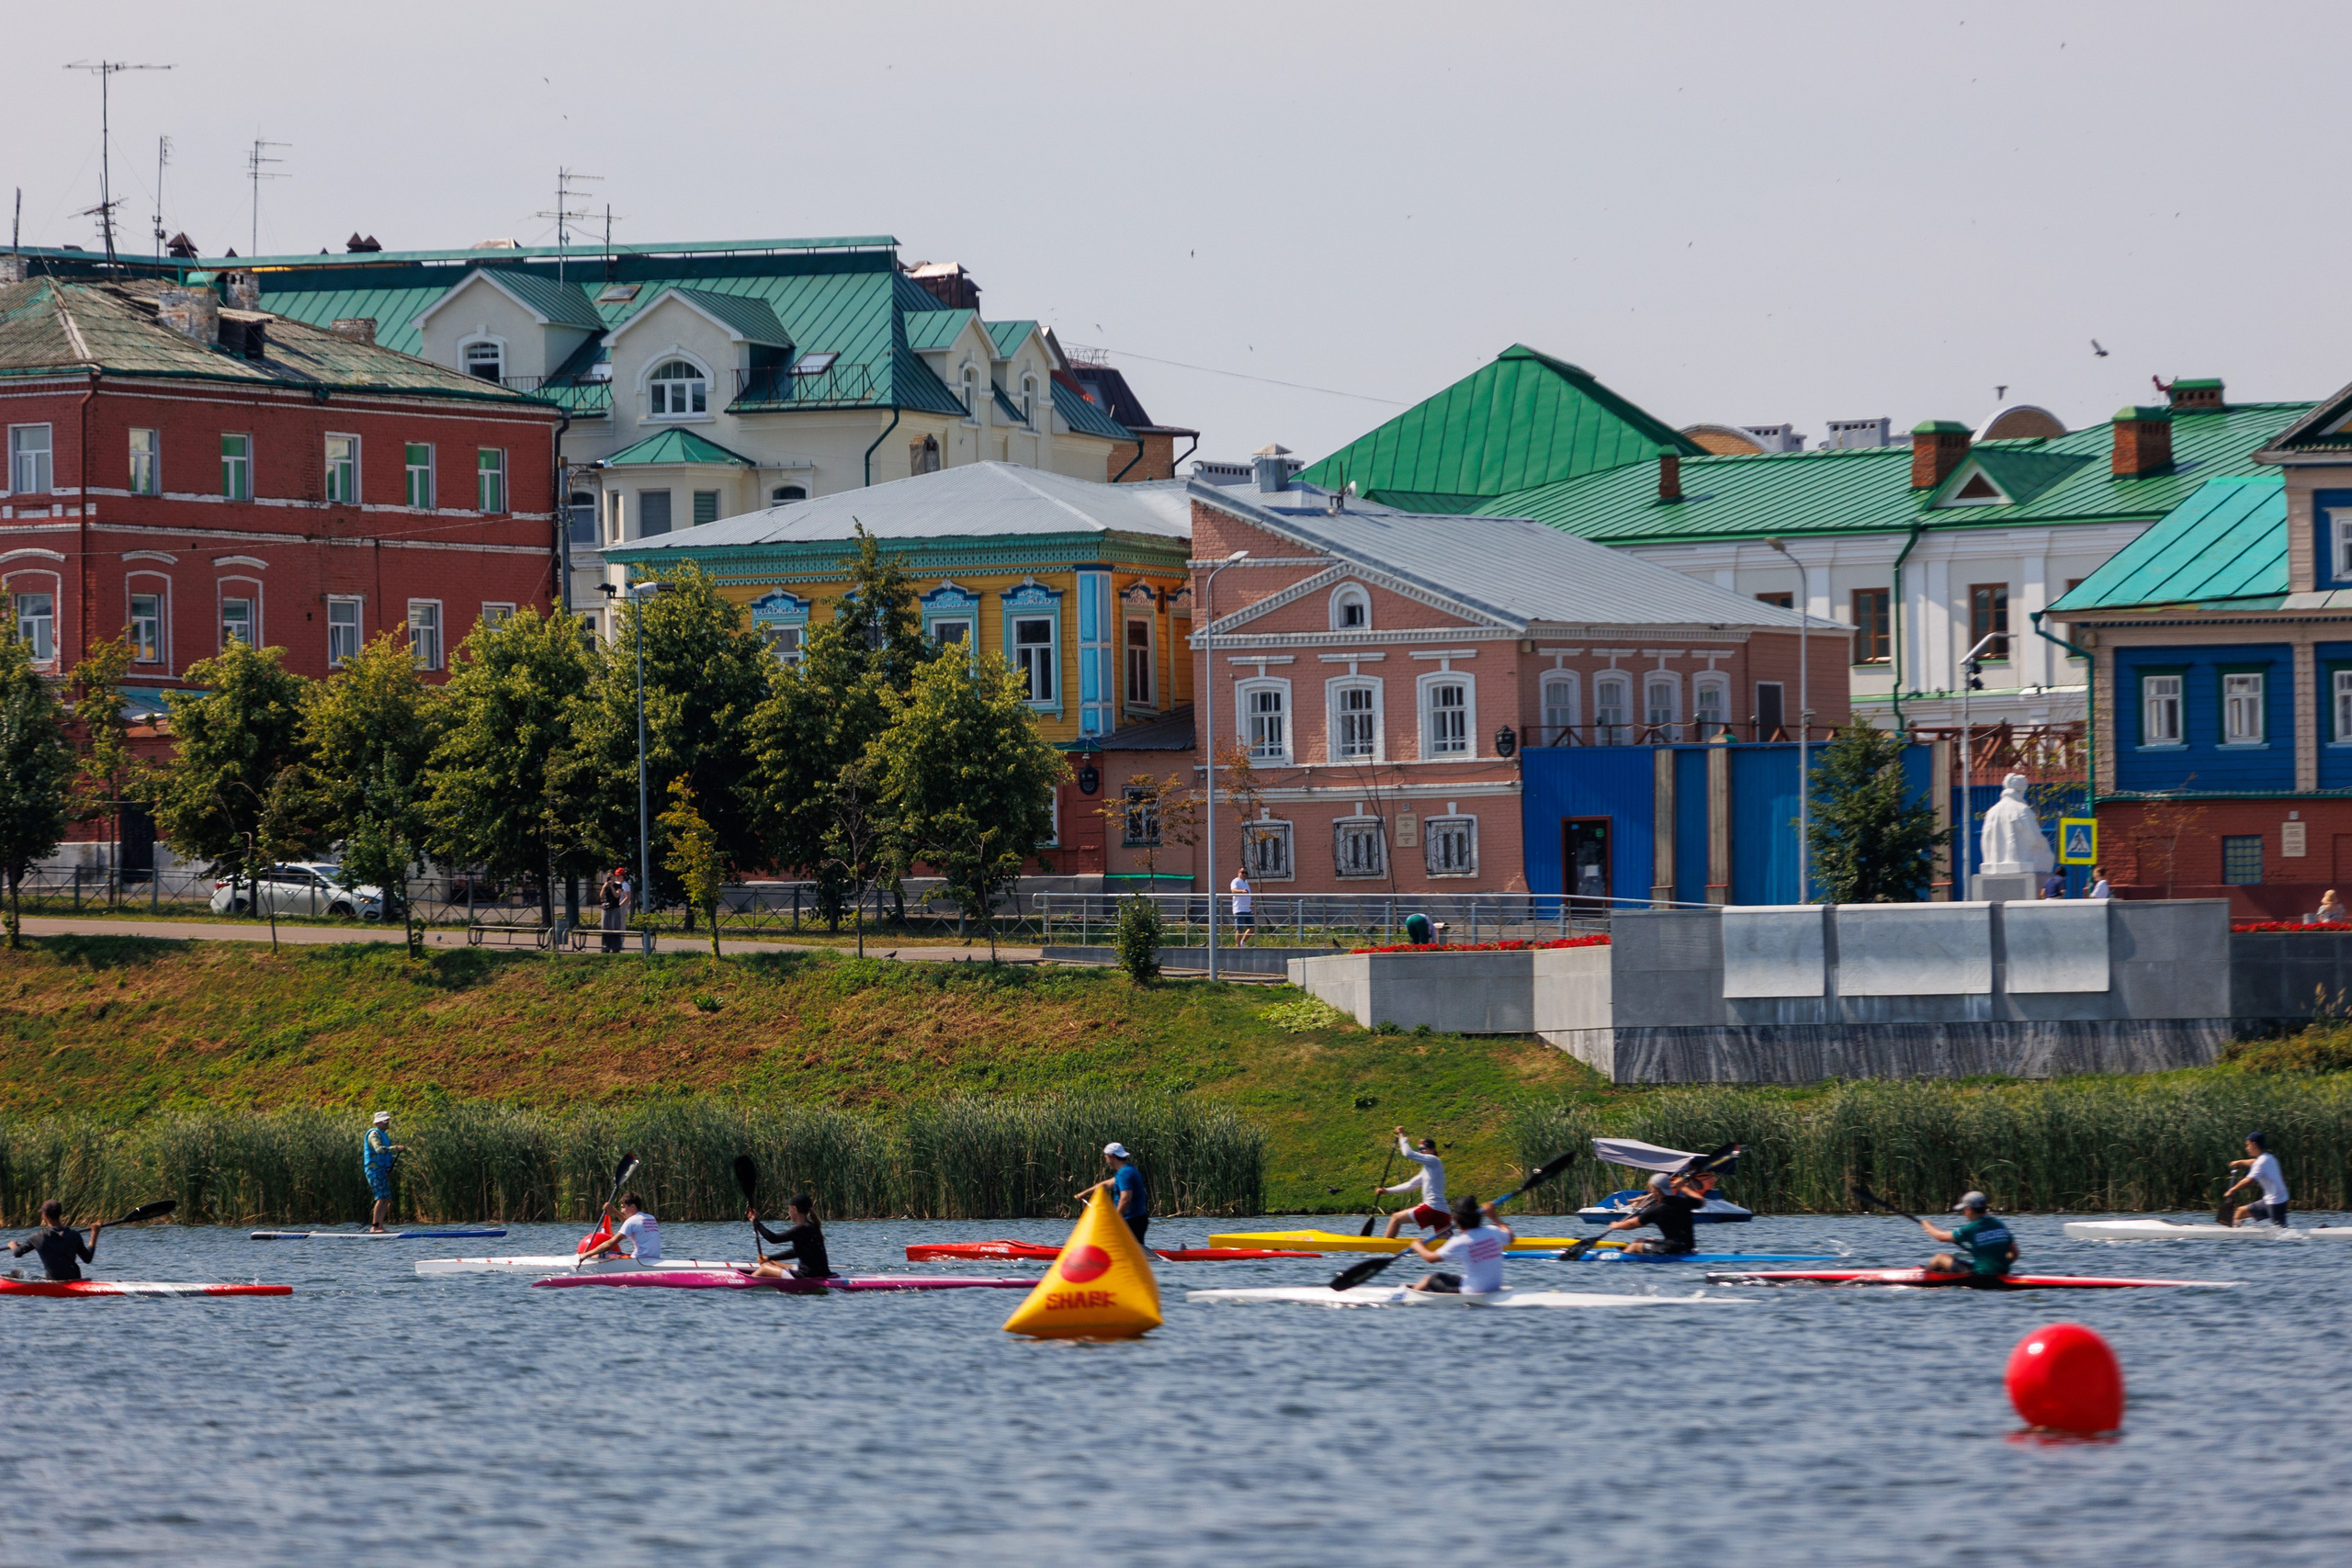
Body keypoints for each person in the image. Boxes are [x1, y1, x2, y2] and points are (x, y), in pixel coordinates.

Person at [1405, 1194, 1513, 1294]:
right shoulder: (1493, 1230)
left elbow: (1431, 1258)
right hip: (1494, 1287)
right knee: (1452, 1278)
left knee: (1430, 1279)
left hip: (1472, 1291)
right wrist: (1494, 1217)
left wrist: (1418, 1246)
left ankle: (1409, 1296)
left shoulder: (1460, 1241)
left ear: (1456, 1219)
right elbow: (1510, 1237)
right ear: (1479, 1216)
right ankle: (1418, 1289)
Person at [1917, 1191, 2017, 1280]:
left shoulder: (1971, 1228)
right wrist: (1998, 1264)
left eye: (1963, 1210)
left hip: (1980, 1276)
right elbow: (2015, 1253)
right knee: (1944, 1269)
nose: (1964, 1213)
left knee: (1939, 1258)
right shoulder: (2000, 1225)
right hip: (2002, 1273)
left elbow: (1940, 1236)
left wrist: (1927, 1225)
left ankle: (1921, 1278)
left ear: (1969, 1210)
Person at [1606, 1169, 1707, 1255]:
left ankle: (1623, 1259)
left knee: (1636, 1244)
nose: (1650, 1191)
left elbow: (1633, 1224)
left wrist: (1616, 1225)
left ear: (1656, 1190)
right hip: (1689, 1247)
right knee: (1645, 1240)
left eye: (1651, 1189)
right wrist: (1682, 1187)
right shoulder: (1683, 1201)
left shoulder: (1657, 1209)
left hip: (1673, 1250)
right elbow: (1701, 1201)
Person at [1379, 1128, 1453, 1239]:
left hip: (1432, 1208)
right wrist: (1387, 1190)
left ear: (1433, 1150)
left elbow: (1408, 1154)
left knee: (1395, 1218)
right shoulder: (1428, 1169)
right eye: (1419, 1149)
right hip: (1443, 1212)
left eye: (1423, 1148)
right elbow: (1410, 1185)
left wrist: (1402, 1135)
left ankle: (1384, 1249)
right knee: (1445, 1243)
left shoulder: (1433, 1160)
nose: (1420, 1151)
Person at [8, 1199, 99, 1282]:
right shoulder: (74, 1235)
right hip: (75, 1279)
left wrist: (13, 1246)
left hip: (54, 1282)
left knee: (16, 1273)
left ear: (45, 1216)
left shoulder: (37, 1237)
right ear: (60, 1214)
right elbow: (87, 1259)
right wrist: (94, 1234)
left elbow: (17, 1253)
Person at [747, 1193, 834, 1280]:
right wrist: (769, 1258)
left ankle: (748, 1281)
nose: (788, 1212)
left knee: (764, 1268)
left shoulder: (802, 1228)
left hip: (808, 1275)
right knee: (771, 1263)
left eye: (789, 1209)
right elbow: (796, 1252)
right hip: (821, 1273)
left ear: (794, 1209)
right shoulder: (812, 1226)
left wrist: (756, 1222)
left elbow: (773, 1239)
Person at [1088, 1143, 1150, 1243]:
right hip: (1136, 1220)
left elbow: (1125, 1199)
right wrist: (1083, 1194)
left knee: (1120, 1250)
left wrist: (1115, 1220)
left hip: (1131, 1221)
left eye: (1106, 1158)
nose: (1106, 1161)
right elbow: (1106, 1185)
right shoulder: (1128, 1170)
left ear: (1112, 1156)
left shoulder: (1125, 1173)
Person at [2223, 1132, 2290, 1227]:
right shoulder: (2269, 1158)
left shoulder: (2261, 1162)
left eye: (2248, 1145)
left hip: (2275, 1203)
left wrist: (2232, 1190)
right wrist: (2240, 1162)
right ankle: (2234, 1233)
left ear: (2254, 1144)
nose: (2247, 1148)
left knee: (2282, 1232)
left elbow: (2249, 1181)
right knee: (2240, 1212)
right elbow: (2254, 1162)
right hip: (2273, 1201)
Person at [581, 1191, 661, 1263]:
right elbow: (629, 1222)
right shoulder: (650, 1218)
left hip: (638, 1260)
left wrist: (586, 1254)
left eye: (623, 1207)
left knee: (597, 1255)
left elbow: (609, 1244)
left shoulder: (632, 1221)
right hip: (654, 1258)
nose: (622, 1210)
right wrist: (612, 1210)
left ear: (632, 1207)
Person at [364, 1111, 405, 1232]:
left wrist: (388, 1168)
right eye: (385, 1121)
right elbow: (378, 1150)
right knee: (381, 1197)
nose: (387, 1123)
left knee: (386, 1198)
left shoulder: (382, 1134)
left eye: (388, 1120)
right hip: (374, 1171)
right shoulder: (374, 1134)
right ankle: (375, 1227)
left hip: (381, 1170)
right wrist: (396, 1148)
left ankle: (380, 1226)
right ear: (378, 1123)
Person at [599, 866, 627, 953]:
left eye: (611, 876)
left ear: (614, 877)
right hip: (607, 908)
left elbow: (617, 896)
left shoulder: (618, 885)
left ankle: (615, 947)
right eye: (608, 877)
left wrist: (611, 886)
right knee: (605, 927)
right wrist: (604, 887)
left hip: (615, 908)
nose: (609, 878)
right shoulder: (605, 886)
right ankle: (606, 946)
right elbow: (601, 896)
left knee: (615, 927)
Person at [1229, 870, 1253, 946]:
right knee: (1239, 929)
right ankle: (1238, 946)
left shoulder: (1246, 883)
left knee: (1253, 928)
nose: (1244, 874)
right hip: (1239, 909)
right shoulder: (1236, 881)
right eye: (1242, 872)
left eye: (1246, 873)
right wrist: (1242, 891)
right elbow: (1233, 890)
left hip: (1247, 909)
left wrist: (1252, 907)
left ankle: (1242, 942)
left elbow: (1248, 896)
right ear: (1238, 873)